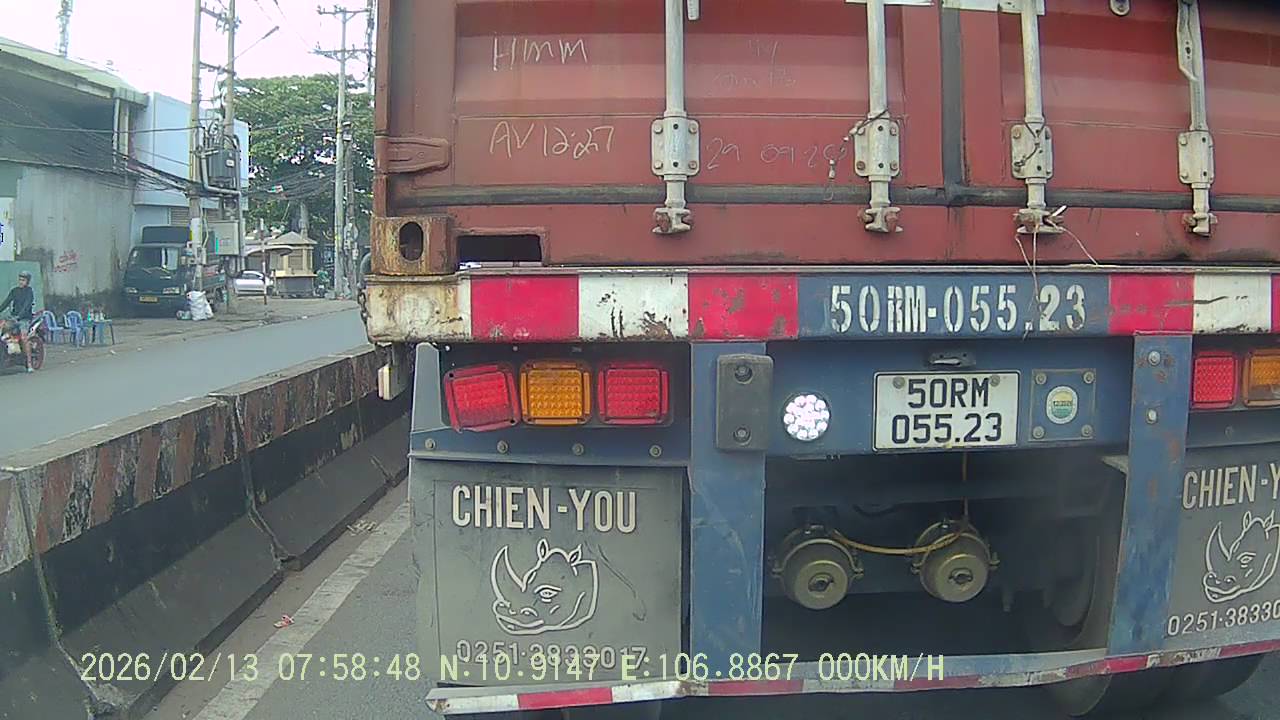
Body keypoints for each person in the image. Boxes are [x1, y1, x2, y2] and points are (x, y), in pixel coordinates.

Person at [0, 270, 36, 371]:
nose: (21, 282)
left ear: (27, 281)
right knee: (3, 332)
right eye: (20, 280)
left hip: (24, 319)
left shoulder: (29, 291)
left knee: (24, 338)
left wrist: (19, 316)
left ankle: (29, 364)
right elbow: (6, 302)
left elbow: (27, 306)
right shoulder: (14, 291)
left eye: (23, 280)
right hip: (13, 318)